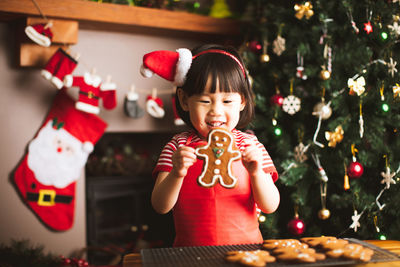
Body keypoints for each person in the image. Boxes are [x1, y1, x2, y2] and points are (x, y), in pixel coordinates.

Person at [140, 44, 280, 247]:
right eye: (205, 101)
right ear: (185, 100)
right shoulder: (177, 146)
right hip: (189, 255)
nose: (216, 111)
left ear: (242, 102)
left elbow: (270, 206)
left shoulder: (251, 146)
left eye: (227, 101)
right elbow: (160, 206)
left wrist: (257, 173)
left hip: (246, 252)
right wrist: (177, 173)